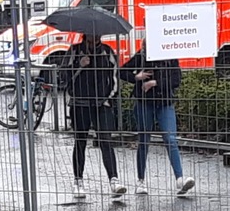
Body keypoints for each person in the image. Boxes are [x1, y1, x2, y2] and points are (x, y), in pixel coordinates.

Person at [122, 40, 195, 197]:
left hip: (164, 102)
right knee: (144, 139)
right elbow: (122, 72)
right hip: (144, 102)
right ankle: (141, 181)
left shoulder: (169, 57)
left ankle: (180, 179)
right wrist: (137, 77)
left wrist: (156, 83)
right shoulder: (141, 57)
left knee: (170, 139)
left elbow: (177, 80)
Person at [63, 34, 126, 198]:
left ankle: (114, 180)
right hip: (80, 104)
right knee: (80, 141)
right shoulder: (75, 51)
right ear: (86, 34)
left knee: (106, 140)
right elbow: (64, 77)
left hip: (101, 104)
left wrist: (108, 99)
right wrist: (79, 65)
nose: (96, 35)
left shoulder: (107, 52)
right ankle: (78, 180)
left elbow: (115, 78)